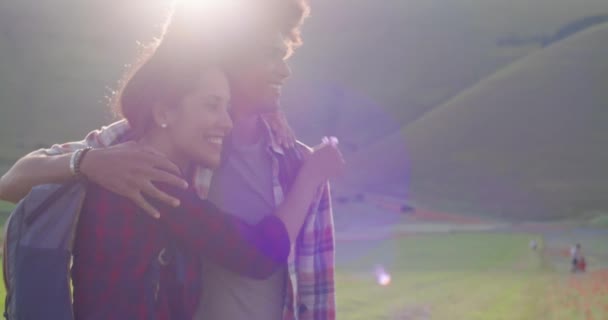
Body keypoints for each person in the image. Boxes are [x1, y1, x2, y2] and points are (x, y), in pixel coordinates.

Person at [0, 1, 337, 319]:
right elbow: (259, 254)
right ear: (164, 112)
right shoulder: (139, 166)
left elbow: (313, 293)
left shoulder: (292, 159)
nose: (285, 70)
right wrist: (86, 162)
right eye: (211, 105)